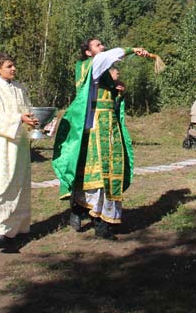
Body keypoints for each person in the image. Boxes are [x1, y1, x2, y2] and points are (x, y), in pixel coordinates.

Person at [52, 38, 147, 240]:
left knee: (106, 172)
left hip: (108, 126)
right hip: (94, 127)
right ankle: (89, 215)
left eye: (102, 44)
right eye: (97, 45)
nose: (102, 47)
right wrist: (133, 49)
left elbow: (108, 99)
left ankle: (92, 215)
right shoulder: (90, 65)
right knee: (96, 173)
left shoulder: (101, 71)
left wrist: (117, 92)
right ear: (88, 52)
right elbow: (109, 56)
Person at [0, 53, 39, 248]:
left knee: (18, 183)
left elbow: (27, 110)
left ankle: (16, 227)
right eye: (9, 66)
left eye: (14, 65)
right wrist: (18, 118)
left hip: (19, 144)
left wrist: (34, 121)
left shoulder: (20, 88)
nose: (14, 69)